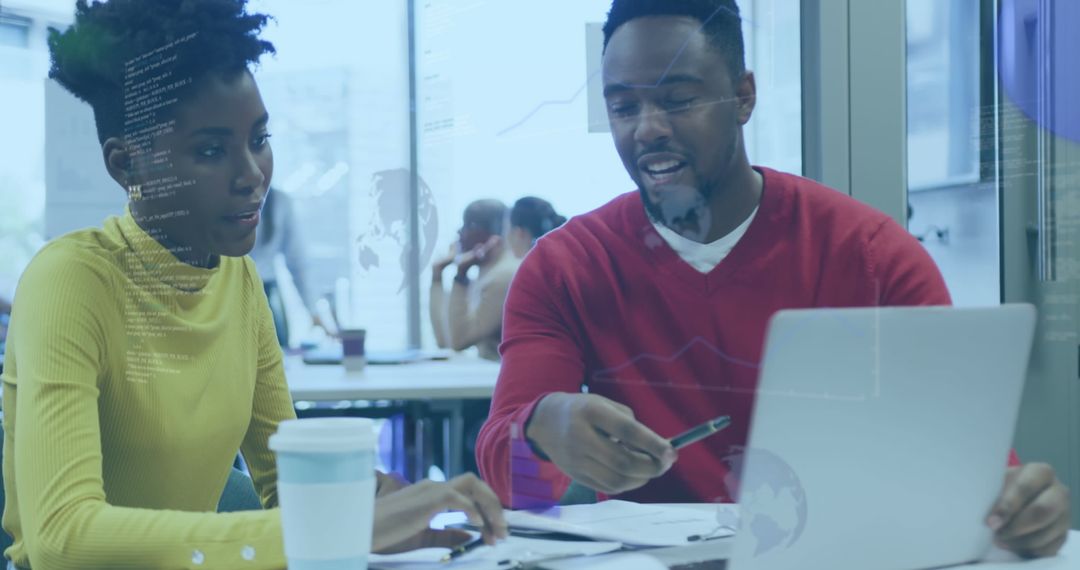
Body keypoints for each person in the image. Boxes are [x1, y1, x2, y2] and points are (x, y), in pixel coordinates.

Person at [476, 0, 1070, 559]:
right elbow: (515, 486)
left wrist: (1020, 508)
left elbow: (970, 470)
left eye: (678, 100)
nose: (647, 129)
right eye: (623, 108)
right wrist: (541, 430)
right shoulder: (565, 269)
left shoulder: (871, 255)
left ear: (744, 97)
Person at [0, 2, 506, 569]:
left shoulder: (236, 276)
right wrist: (340, 525)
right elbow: (61, 538)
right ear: (128, 166)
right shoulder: (70, 281)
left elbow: (286, 476)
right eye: (211, 150)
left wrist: (389, 503)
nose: (252, 175)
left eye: (259, 139)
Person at [430, 199, 519, 361]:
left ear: (488, 233)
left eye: (467, 225)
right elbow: (444, 340)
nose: (459, 232)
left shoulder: (504, 276)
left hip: (499, 373)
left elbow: (459, 341)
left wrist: (461, 275)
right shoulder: (486, 272)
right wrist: (437, 275)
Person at [248, 188, 316, 346]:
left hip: (268, 292)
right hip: (232, 288)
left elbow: (297, 261)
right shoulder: (223, 196)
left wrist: (312, 311)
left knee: (277, 352)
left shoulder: (280, 202)